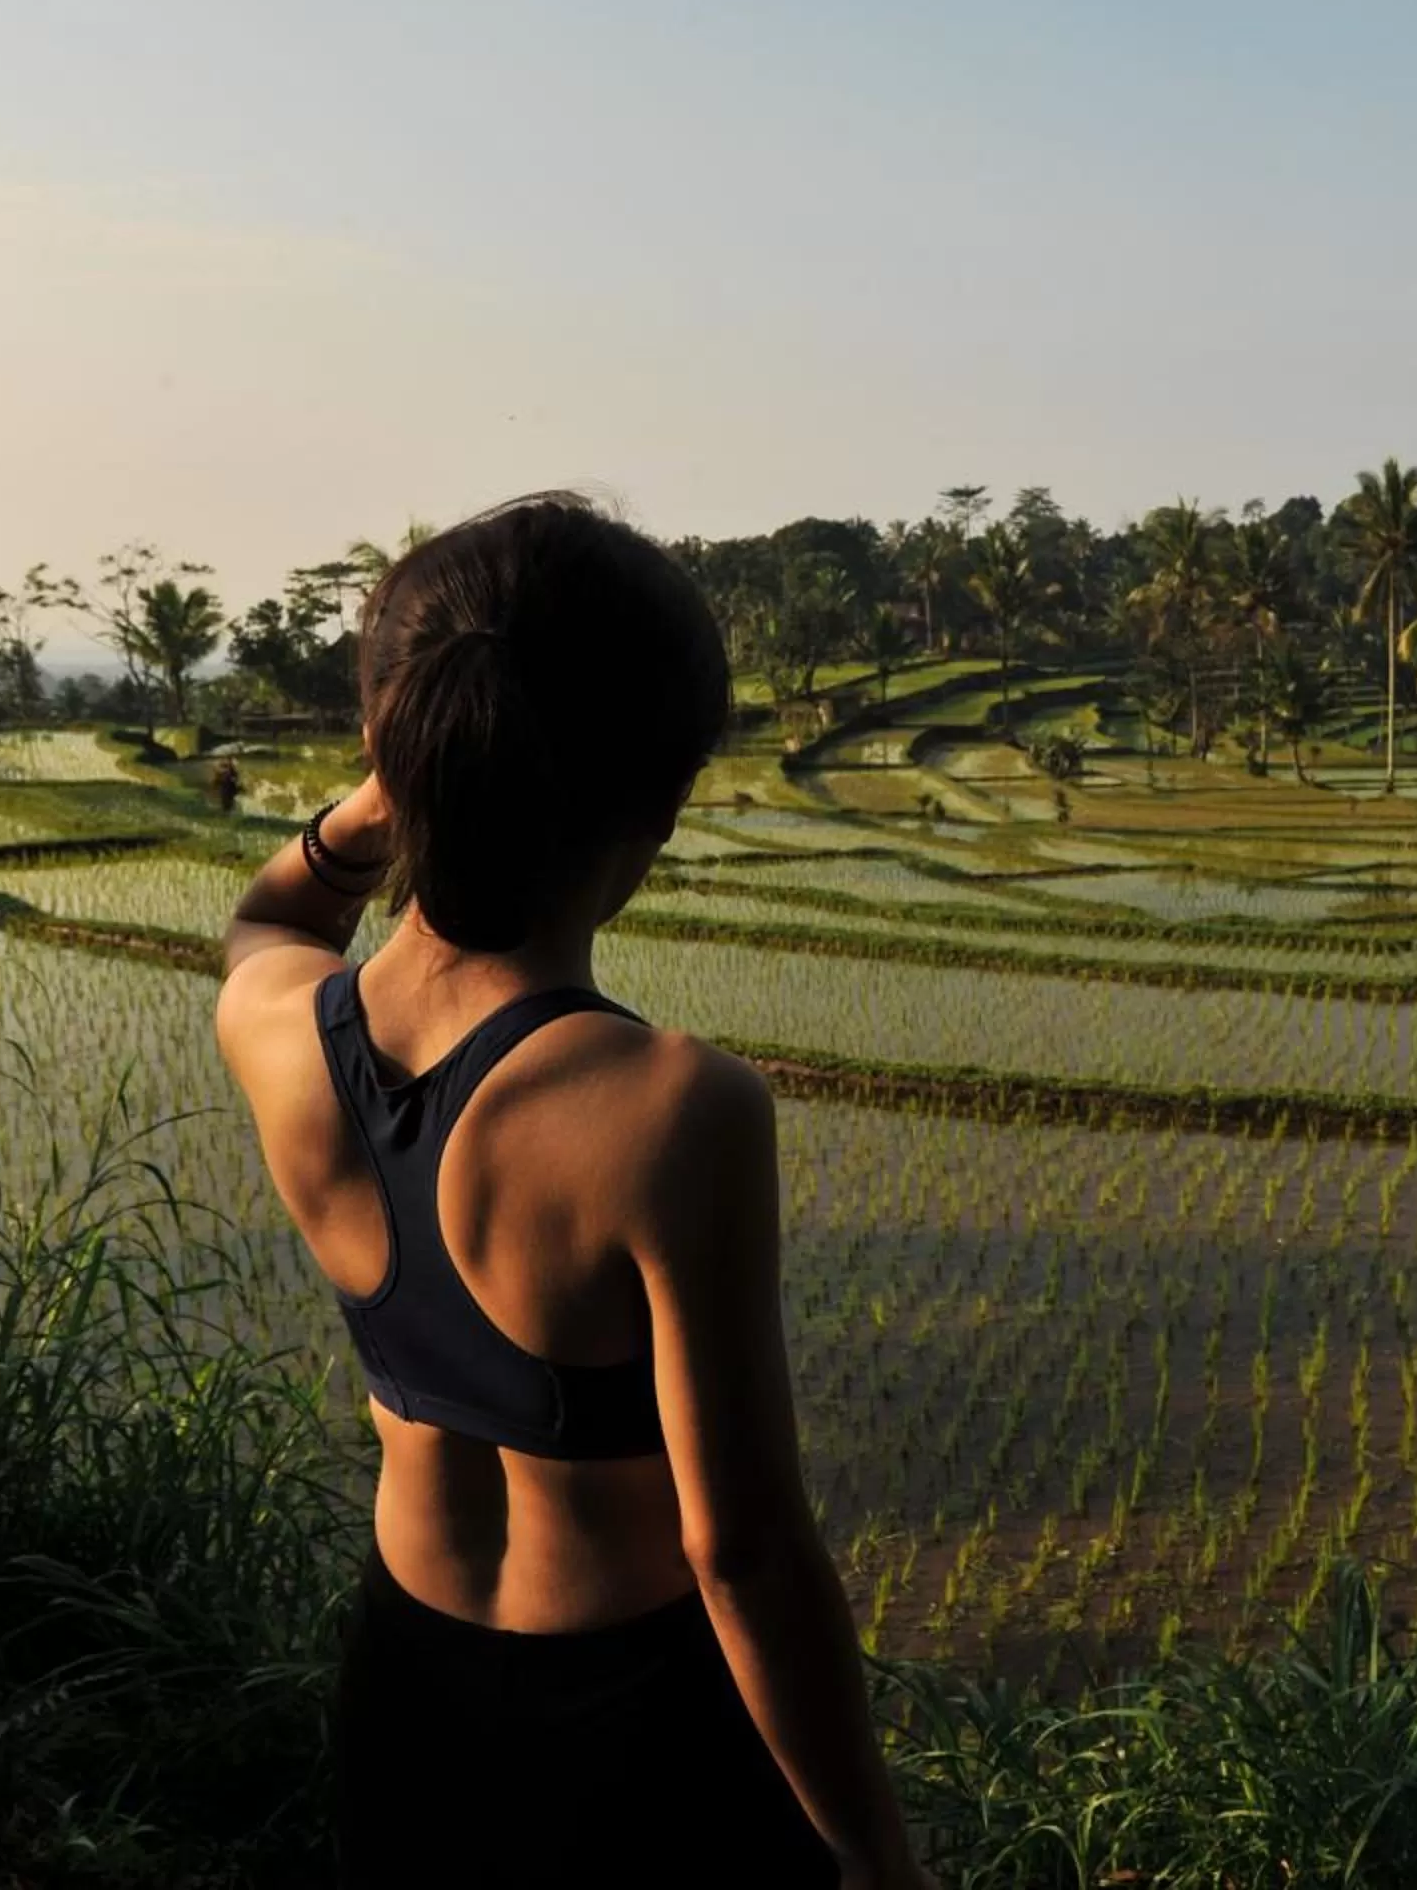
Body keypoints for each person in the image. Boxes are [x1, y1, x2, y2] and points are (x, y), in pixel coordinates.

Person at [213, 494, 930, 1888]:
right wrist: (875, 1857)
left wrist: (378, 795)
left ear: (392, 745)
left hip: (407, 1686)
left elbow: (269, 920)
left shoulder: (285, 1029)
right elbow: (744, 1550)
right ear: (661, 800)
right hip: (632, 1729)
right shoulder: (670, 1111)